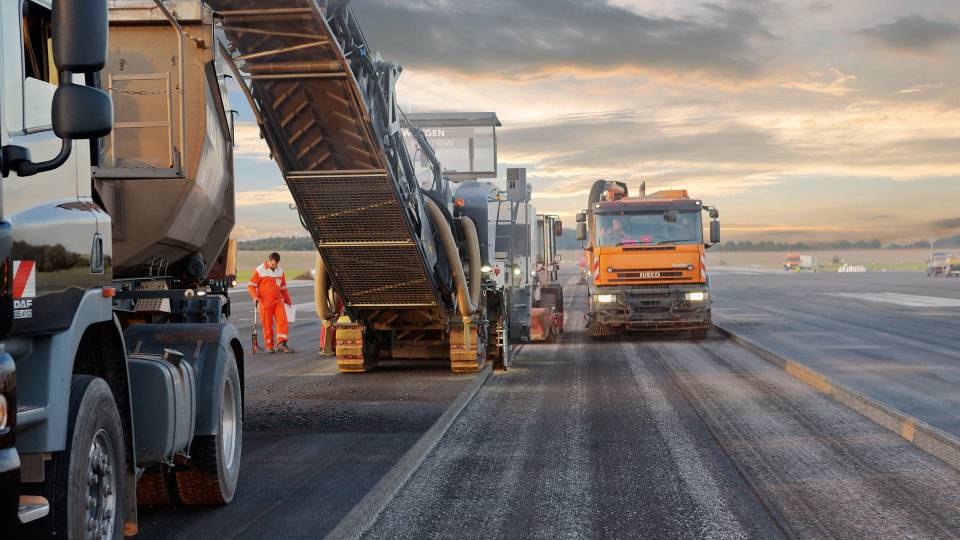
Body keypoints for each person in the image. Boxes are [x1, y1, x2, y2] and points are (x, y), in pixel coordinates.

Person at [248, 252, 294, 353]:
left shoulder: (280, 271)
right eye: (272, 264)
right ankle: (269, 345)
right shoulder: (260, 270)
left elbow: (283, 288)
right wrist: (255, 297)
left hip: (278, 301)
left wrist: (288, 300)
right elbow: (251, 286)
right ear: (268, 261)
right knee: (267, 324)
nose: (274, 266)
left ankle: (282, 343)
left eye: (276, 264)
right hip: (264, 302)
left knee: (283, 321)